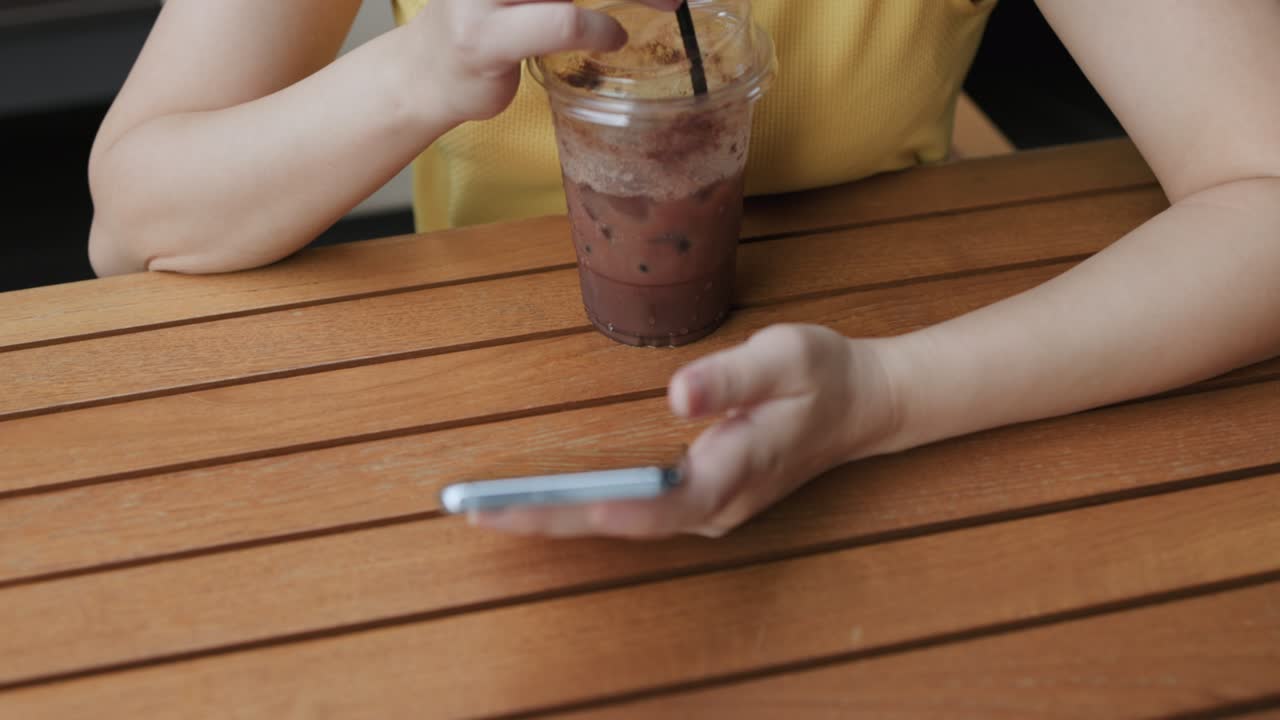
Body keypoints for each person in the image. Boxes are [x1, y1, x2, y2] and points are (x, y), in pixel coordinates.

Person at [88, 1, 1280, 539]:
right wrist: (419, 72)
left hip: (939, 358)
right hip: (480, 404)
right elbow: (131, 225)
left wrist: (888, 395)